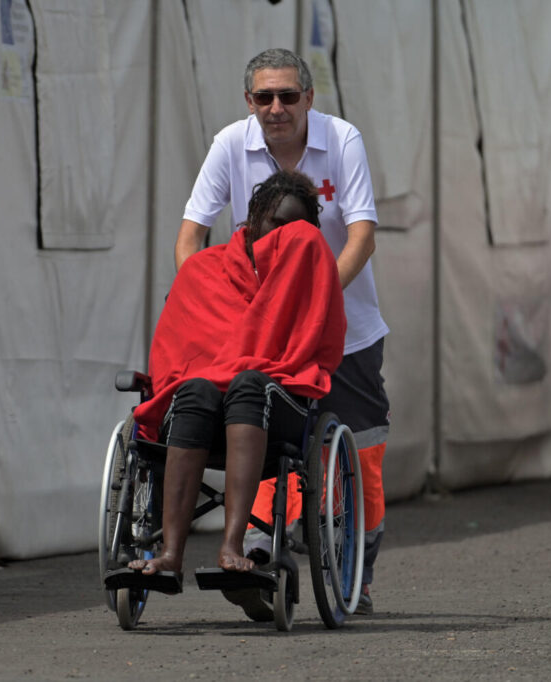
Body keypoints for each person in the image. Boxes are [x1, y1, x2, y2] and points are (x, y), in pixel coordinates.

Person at [175, 48, 390, 616]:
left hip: (345, 329)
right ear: (249, 102)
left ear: (309, 99)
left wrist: (313, 299)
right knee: (264, 429)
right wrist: (204, 302)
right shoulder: (229, 145)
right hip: (261, 331)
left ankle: (359, 567)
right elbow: (189, 239)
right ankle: (255, 549)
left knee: (362, 450)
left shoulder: (342, 141)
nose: (276, 108)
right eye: (264, 97)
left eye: (288, 96)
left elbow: (362, 236)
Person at [123, 170, 345, 593]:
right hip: (197, 413)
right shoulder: (204, 269)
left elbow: (320, 349)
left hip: (272, 411)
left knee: (249, 383)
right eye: (277, 224)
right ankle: (170, 555)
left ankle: (230, 547)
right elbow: (175, 355)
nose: (284, 236)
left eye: (298, 228)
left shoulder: (309, 276)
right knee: (195, 388)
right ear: (254, 219)